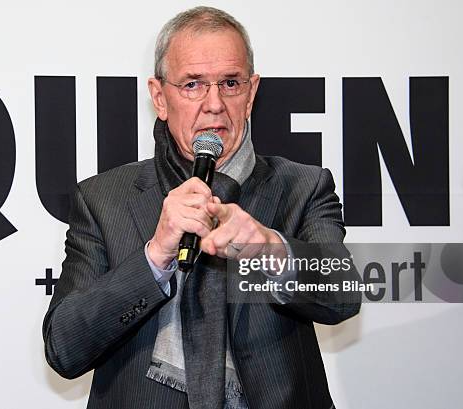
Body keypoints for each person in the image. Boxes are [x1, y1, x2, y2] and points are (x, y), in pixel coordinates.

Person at [43, 6, 360, 409]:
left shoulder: (303, 186)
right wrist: (154, 257)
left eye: (230, 83)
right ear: (159, 97)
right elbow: (64, 349)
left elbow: (344, 293)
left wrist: (269, 247)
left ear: (251, 93)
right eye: (193, 84)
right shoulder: (104, 199)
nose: (214, 104)